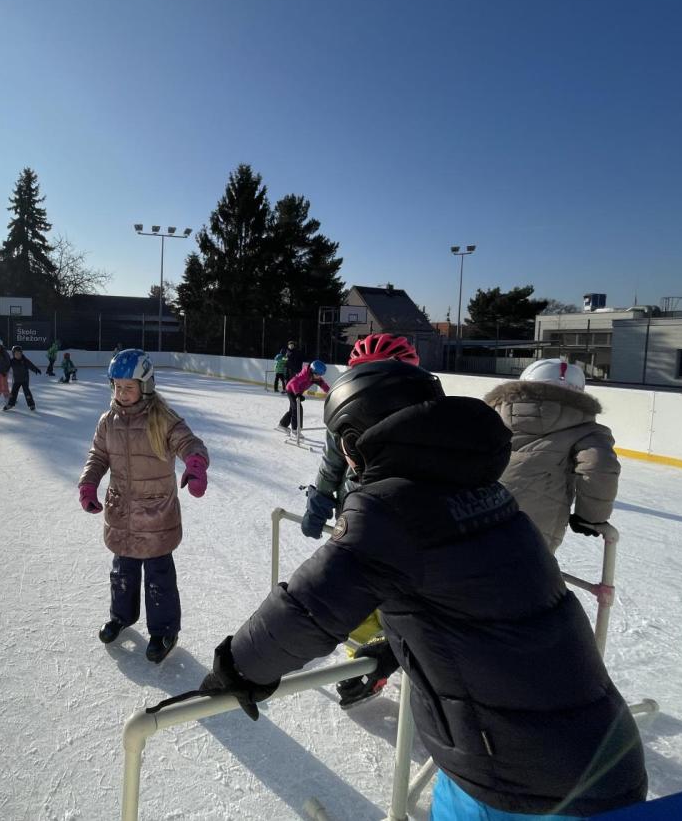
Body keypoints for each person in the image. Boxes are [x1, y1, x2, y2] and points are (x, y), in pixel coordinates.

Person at [199, 361, 647, 819]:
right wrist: (401, 647)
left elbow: (306, 611)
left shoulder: (385, 509)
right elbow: (479, 604)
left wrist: (235, 668)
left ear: (354, 443)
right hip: (601, 750)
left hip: (520, 783)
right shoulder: (488, 492)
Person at [300, 333, 421, 706]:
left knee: (400, 600)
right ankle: (365, 661)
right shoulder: (347, 408)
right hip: (357, 519)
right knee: (358, 594)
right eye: (366, 374)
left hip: (408, 525)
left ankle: (391, 663)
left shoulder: (424, 414)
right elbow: (333, 461)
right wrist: (320, 498)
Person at [78, 349, 209, 663]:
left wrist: (195, 465)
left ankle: (164, 630)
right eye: (118, 387)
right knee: (121, 573)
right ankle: (120, 616)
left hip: (155, 516)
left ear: (146, 386)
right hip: (122, 513)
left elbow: (189, 442)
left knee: (158, 578)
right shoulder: (107, 422)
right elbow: (98, 456)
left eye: (129, 387)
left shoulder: (161, 418)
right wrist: (88, 483)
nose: (122, 393)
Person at [484, 359, 620, 553]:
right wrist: (591, 517)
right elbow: (600, 465)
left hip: (476, 510)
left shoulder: (491, 414)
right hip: (537, 523)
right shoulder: (586, 430)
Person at [276, 360, 328, 436]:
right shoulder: (305, 374)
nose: (319, 377)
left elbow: (324, 385)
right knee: (297, 409)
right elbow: (294, 382)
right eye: (317, 375)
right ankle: (295, 430)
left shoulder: (316, 378)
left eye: (320, 375)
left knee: (293, 410)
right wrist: (297, 394)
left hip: (297, 392)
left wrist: (331, 392)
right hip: (291, 390)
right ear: (312, 371)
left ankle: (282, 425)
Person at [3, 344, 41, 411]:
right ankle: (10, 404)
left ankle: (31, 405)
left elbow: (30, 365)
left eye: (19, 353)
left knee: (27, 392)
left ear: (21, 353)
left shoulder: (25, 360)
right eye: (16, 354)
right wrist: (2, 371)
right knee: (13, 392)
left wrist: (35, 369)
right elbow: (6, 367)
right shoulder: (12, 361)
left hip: (25, 379)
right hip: (17, 380)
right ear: (13, 354)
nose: (18, 355)